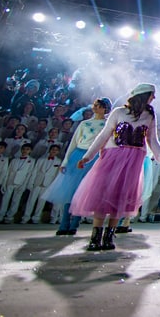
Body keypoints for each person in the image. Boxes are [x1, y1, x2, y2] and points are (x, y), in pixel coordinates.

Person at [69, 83, 160, 251]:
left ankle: (109, 235)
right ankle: (95, 237)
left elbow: (152, 140)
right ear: (143, 95)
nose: (154, 98)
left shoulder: (149, 116)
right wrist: (87, 156)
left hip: (134, 159)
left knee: (121, 196)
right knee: (103, 193)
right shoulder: (118, 112)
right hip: (113, 156)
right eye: (152, 95)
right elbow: (103, 135)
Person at [43, 97, 111, 236]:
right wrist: (65, 161)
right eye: (95, 105)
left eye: (99, 106)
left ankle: (75, 223)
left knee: (84, 190)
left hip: (95, 157)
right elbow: (73, 143)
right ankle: (64, 224)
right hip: (78, 154)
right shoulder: (84, 124)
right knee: (71, 191)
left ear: (105, 108)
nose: (96, 107)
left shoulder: (107, 125)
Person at [0, 142, 36, 223]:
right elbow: (8, 171)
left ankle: (9, 217)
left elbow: (30, 173)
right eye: (23, 149)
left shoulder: (32, 161)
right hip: (10, 181)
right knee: (5, 200)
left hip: (21, 183)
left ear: (30, 151)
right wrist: (4, 183)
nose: (25, 151)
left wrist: (25, 185)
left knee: (15, 201)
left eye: (27, 149)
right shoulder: (14, 159)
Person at [21, 143, 62, 223]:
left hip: (47, 184)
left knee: (41, 203)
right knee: (31, 201)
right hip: (37, 182)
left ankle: (36, 218)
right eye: (52, 149)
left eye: (56, 150)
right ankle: (25, 218)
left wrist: (52, 186)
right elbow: (35, 171)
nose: (54, 151)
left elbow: (56, 175)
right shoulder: (41, 159)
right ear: (49, 150)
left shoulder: (58, 161)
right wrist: (31, 182)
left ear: (58, 152)